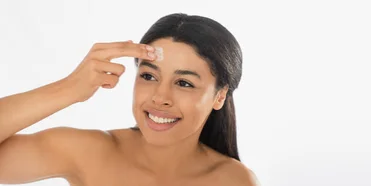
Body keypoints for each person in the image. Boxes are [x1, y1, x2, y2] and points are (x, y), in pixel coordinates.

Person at [0, 13, 258, 186]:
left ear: (220, 95)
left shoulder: (233, 180)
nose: (160, 97)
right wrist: (69, 89)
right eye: (148, 75)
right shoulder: (88, 152)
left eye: (184, 83)